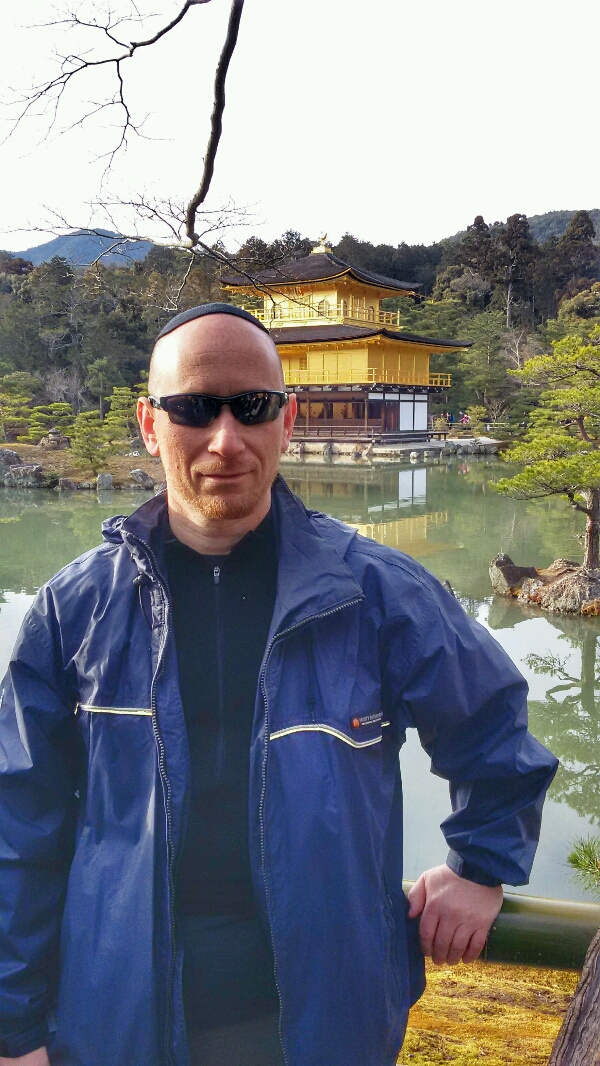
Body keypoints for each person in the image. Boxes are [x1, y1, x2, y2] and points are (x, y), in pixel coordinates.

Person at [0, 303, 557, 1066]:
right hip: (114, 1015)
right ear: (150, 424)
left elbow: (491, 726)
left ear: (287, 422)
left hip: (327, 1017)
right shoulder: (75, 607)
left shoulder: (377, 593)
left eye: (253, 407)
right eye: (194, 408)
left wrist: (480, 868)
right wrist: (14, 1025)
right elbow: (18, 820)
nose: (225, 439)